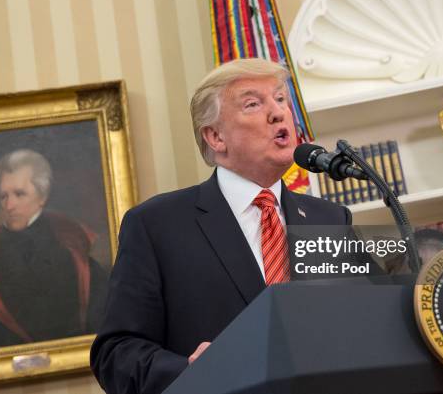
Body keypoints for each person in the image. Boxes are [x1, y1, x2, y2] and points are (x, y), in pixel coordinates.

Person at [91, 58, 377, 394]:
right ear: (215, 137)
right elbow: (115, 354)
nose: (278, 112)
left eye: (281, 99)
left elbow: (369, 325)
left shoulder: (329, 219)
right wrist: (190, 371)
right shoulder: (156, 226)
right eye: (253, 104)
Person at [0, 149, 108, 354]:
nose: (9, 205)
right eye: (3, 196)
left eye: (19, 194)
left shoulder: (72, 254)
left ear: (42, 197)